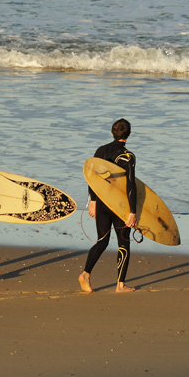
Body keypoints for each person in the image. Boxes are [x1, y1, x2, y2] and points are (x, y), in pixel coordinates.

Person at [78, 118, 138, 294]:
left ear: (112, 133)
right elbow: (131, 185)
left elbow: (92, 177)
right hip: (120, 206)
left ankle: (86, 274)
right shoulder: (128, 157)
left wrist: (93, 201)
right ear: (129, 135)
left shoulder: (101, 150)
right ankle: (120, 285)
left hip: (102, 203)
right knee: (123, 243)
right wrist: (132, 212)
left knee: (102, 241)